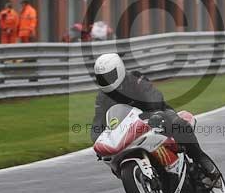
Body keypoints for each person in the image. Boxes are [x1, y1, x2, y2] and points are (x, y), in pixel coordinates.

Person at [89, 53, 218, 180]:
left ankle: (200, 158)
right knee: (113, 158)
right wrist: (98, 143)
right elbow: (98, 121)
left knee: (178, 124)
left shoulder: (135, 79)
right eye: (102, 78)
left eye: (109, 76)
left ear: (119, 70)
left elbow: (153, 95)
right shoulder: (102, 97)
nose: (106, 81)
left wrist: (155, 113)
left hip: (155, 116)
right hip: (130, 130)